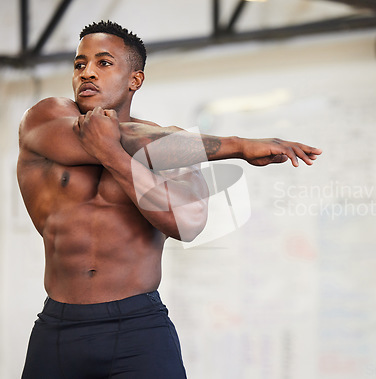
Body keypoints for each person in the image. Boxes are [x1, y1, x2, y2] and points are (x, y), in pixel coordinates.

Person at [17, 20, 321, 378]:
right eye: (79, 64)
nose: (87, 73)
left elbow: (187, 225)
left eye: (103, 63)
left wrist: (114, 156)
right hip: (58, 329)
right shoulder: (45, 117)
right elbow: (114, 136)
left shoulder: (176, 147)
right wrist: (237, 145)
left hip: (138, 328)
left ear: (135, 80)